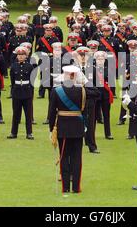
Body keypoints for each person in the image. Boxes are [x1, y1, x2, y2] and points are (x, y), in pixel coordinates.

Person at [48, 65, 87, 193]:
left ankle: (65, 187)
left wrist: (51, 129)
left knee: (64, 157)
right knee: (77, 158)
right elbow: (84, 111)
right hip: (78, 127)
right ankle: (76, 187)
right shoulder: (82, 90)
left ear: (65, 75)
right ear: (75, 76)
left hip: (63, 128)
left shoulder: (56, 90)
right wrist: (84, 125)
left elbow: (51, 112)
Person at [8, 46, 34, 140]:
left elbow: (32, 81)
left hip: (27, 92)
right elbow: (12, 80)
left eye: (22, 55)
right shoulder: (14, 66)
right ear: (17, 56)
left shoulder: (30, 66)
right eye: (19, 55)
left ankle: (29, 133)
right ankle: (13, 132)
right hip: (17, 91)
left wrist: (31, 94)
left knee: (28, 115)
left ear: (26, 56)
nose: (21, 57)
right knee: (15, 114)